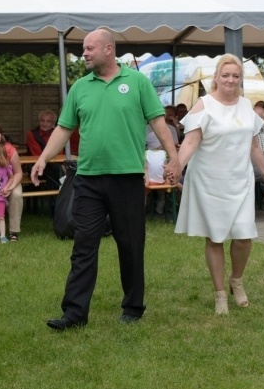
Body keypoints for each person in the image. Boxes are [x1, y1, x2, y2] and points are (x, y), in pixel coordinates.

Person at [31, 29, 179, 331]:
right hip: (87, 178)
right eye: (83, 49)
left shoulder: (137, 83)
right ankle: (74, 313)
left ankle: (133, 307)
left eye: (89, 48)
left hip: (126, 178)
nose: (83, 53)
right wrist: (43, 157)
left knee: (130, 244)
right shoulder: (80, 88)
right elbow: (63, 128)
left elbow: (157, 122)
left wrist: (173, 157)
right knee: (83, 246)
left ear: (108, 49)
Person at [174, 55, 264, 315]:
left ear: (240, 79)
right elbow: (190, 142)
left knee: (244, 235)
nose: (230, 80)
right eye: (225, 75)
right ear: (216, 78)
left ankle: (237, 281)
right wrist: (176, 167)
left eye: (235, 75)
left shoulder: (246, 106)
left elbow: (254, 146)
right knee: (215, 237)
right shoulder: (203, 105)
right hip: (209, 181)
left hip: (240, 180)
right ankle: (220, 293)